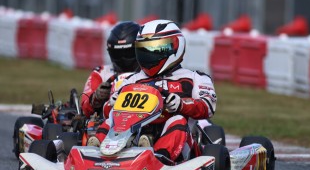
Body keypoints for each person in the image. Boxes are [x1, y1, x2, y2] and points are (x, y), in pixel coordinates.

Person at [91, 19, 217, 162]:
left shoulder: (195, 78)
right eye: (144, 50)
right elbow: (107, 113)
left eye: (156, 49)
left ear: (175, 46)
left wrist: (181, 104)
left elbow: (207, 107)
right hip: (133, 133)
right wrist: (111, 104)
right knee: (111, 118)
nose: (149, 55)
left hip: (179, 143)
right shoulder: (132, 79)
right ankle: (95, 152)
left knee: (178, 120)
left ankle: (159, 156)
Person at [81, 21, 140, 119]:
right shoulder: (101, 73)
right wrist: (96, 98)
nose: (123, 59)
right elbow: (85, 107)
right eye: (118, 54)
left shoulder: (148, 72)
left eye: (128, 53)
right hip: (107, 122)